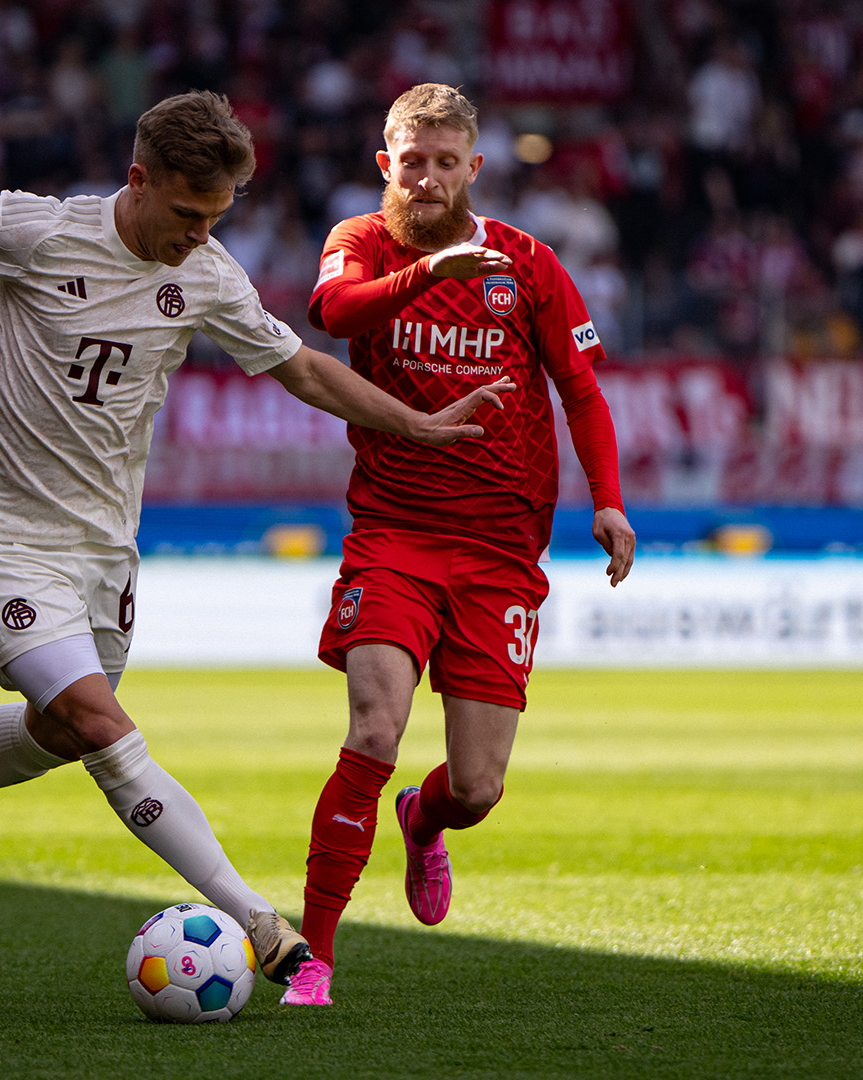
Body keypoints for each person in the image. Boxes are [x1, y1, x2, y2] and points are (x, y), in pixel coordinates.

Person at [0, 91, 511, 989]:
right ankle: (260, 922)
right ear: (139, 179)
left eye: (218, 218)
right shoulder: (39, 232)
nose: (201, 235)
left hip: (103, 551)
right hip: (0, 535)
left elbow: (304, 368)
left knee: (60, 731)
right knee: (101, 723)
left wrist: (418, 427)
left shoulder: (205, 273)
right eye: (189, 214)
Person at [281, 84, 636, 1006]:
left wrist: (610, 499)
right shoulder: (360, 241)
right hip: (394, 534)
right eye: (413, 161)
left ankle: (422, 818)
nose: (428, 177)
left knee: (476, 787)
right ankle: (311, 955)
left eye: (447, 162)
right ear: (385, 163)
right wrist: (428, 277)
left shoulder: (529, 263)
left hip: (501, 550)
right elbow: (333, 316)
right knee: (373, 728)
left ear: (474, 167)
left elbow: (581, 390)